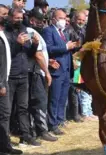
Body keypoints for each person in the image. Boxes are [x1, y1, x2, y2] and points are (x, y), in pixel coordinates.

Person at [5, 8, 41, 146]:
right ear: (10, 17)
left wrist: (35, 44)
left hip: (23, 75)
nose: (19, 20)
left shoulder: (24, 30)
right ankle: (5, 139)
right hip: (10, 76)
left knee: (23, 107)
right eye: (16, 18)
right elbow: (7, 55)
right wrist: (17, 44)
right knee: (6, 110)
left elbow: (28, 53)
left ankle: (26, 135)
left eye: (21, 18)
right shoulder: (5, 33)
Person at [43, 9, 77, 135]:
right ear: (53, 19)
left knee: (63, 98)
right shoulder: (48, 31)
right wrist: (65, 47)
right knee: (55, 98)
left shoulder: (64, 33)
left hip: (66, 70)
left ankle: (60, 120)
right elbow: (49, 48)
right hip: (56, 70)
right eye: (60, 18)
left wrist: (71, 47)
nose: (63, 20)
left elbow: (67, 50)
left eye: (64, 18)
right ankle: (52, 124)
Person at [27, 7, 57, 141]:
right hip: (36, 72)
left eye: (43, 20)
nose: (42, 23)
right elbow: (37, 55)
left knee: (40, 101)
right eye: (39, 20)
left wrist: (48, 61)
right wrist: (47, 72)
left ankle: (38, 129)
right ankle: (41, 130)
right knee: (40, 101)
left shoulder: (36, 32)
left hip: (40, 70)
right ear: (32, 20)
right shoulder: (30, 32)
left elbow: (41, 54)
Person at [0, 4, 23, 155]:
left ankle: (5, 145)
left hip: (5, 79)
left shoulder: (3, 34)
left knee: (5, 114)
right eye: (3, 14)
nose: (5, 17)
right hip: (1, 82)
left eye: (7, 14)